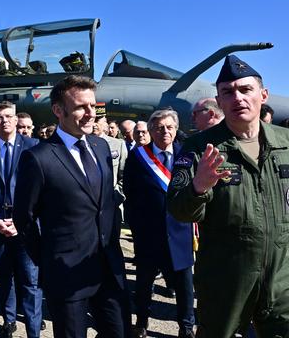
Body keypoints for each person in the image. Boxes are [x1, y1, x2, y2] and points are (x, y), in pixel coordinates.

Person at [168, 54, 289, 337]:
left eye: (245, 89)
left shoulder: (286, 144)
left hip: (282, 279)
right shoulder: (199, 148)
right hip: (226, 280)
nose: (238, 98)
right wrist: (198, 187)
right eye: (228, 92)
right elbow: (178, 209)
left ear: (263, 94)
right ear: (219, 102)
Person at [13, 75, 131, 338]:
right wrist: (48, 258)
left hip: (109, 268)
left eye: (93, 106)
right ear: (58, 110)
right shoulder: (38, 158)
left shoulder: (101, 147)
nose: (91, 114)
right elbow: (24, 218)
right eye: (81, 107)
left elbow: (105, 204)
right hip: (66, 275)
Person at [124, 109, 195, 338]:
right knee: (144, 283)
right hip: (148, 234)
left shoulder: (186, 155)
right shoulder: (137, 157)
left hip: (180, 231)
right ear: (151, 131)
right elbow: (130, 196)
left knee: (184, 285)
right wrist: (137, 229)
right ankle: (141, 322)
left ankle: (186, 327)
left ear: (176, 130)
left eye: (169, 127)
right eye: (159, 127)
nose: (164, 131)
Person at [0, 101, 43, 338]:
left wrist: (22, 220)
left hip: (25, 228)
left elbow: (41, 189)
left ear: (16, 119)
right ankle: (9, 321)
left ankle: (33, 331)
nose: (5, 121)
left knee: (30, 281)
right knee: (4, 277)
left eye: (9, 116)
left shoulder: (34, 147)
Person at [92, 107, 128, 213]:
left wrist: (117, 197)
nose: (94, 124)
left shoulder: (118, 144)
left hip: (111, 204)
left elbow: (124, 175)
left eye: (97, 121)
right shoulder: (80, 144)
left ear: (105, 123)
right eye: (92, 120)